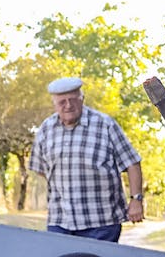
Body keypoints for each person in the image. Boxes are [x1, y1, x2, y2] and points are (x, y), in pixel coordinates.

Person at [29, 76, 145, 243]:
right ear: (54, 104)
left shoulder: (105, 125)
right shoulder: (46, 129)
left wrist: (136, 199)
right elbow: (40, 169)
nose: (68, 105)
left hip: (101, 222)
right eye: (62, 102)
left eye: (73, 100)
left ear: (82, 99)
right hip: (60, 221)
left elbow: (132, 162)